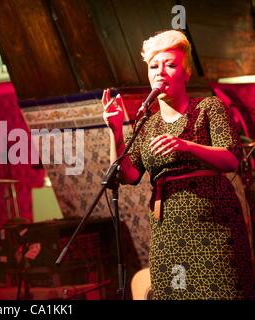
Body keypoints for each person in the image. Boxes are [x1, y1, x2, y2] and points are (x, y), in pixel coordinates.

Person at [102, 30, 254, 299]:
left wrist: (185, 145)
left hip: (214, 226)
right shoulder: (146, 124)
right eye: (153, 66)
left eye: (170, 65)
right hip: (168, 231)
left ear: (185, 73)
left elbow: (231, 158)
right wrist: (115, 131)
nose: (160, 72)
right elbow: (130, 174)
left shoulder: (209, 107)